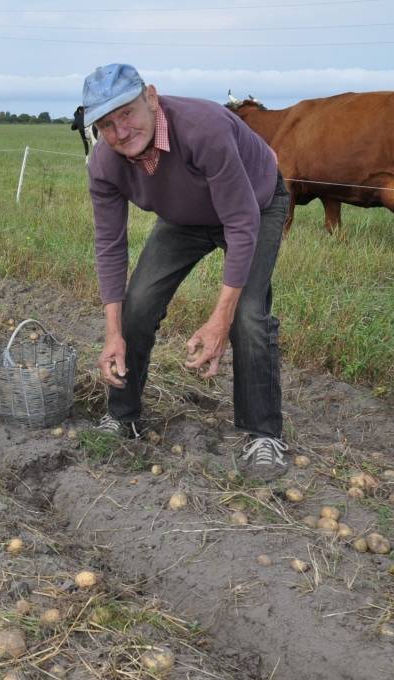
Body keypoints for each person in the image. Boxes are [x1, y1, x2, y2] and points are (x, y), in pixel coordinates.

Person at [82, 64, 291, 480]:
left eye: (126, 113)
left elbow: (241, 221)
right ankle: (123, 416)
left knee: (248, 315)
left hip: (255, 204)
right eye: (107, 124)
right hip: (183, 219)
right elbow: (109, 246)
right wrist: (113, 333)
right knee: (136, 305)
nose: (120, 131)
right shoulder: (105, 164)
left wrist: (219, 320)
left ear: (152, 98)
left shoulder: (203, 128)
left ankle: (263, 433)